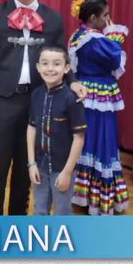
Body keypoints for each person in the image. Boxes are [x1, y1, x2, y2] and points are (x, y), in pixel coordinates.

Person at [0, 0, 87, 215]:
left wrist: (73, 82)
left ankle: (17, 221)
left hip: (38, 102)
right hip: (3, 103)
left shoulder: (53, 18)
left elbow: (61, 56)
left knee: (27, 167)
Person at [68, 0, 130, 215]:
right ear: (93, 18)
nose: (108, 19)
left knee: (86, 139)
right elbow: (115, 59)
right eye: (105, 15)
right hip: (100, 94)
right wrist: (115, 37)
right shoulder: (96, 39)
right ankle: (97, 197)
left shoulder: (78, 35)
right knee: (102, 139)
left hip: (84, 91)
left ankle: (83, 193)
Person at [27, 46, 87, 216]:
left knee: (62, 212)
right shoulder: (36, 94)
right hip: (39, 167)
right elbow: (31, 127)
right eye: (45, 63)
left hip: (62, 169)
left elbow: (79, 138)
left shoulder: (72, 99)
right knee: (39, 210)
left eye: (56, 64)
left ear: (66, 68)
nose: (50, 68)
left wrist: (67, 172)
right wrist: (31, 163)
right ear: (38, 67)